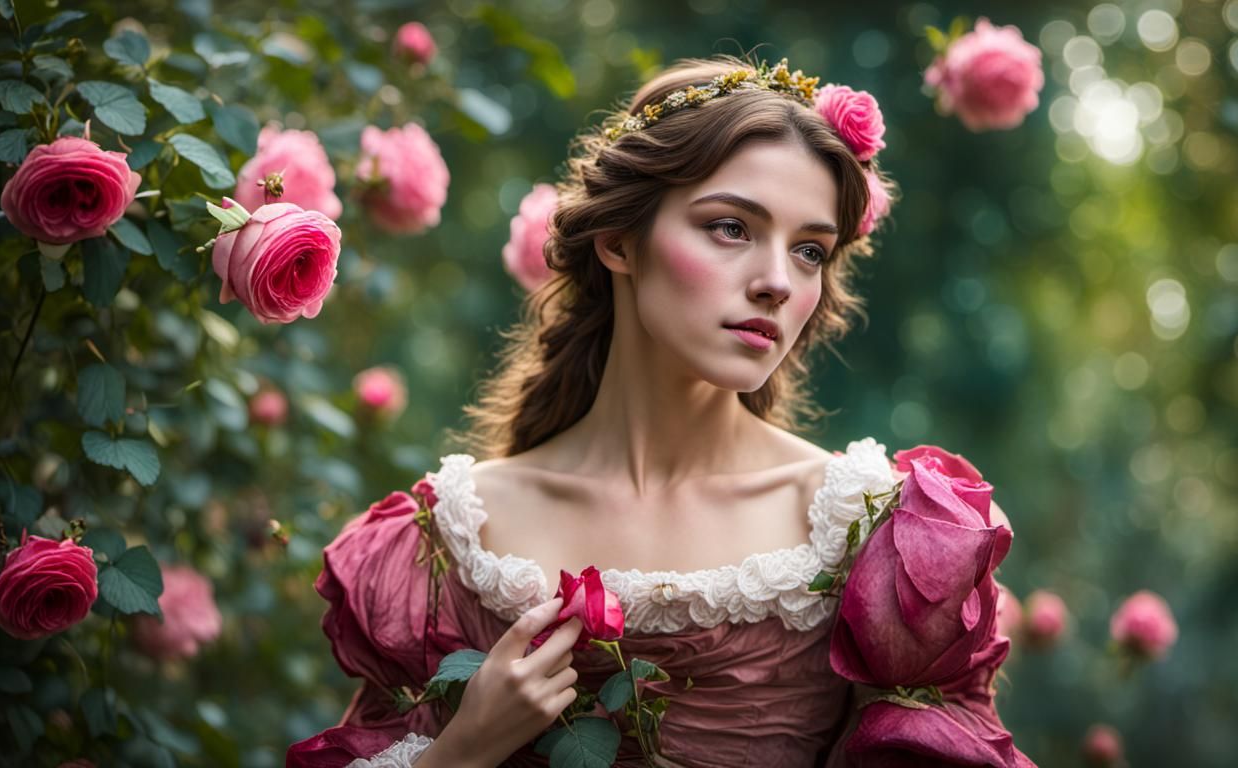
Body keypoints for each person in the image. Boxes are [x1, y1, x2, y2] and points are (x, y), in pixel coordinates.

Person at [287, 54, 911, 767]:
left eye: (809, 251)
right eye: (732, 228)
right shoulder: (451, 539)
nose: (776, 281)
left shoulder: (864, 528)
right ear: (619, 242)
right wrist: (462, 751)